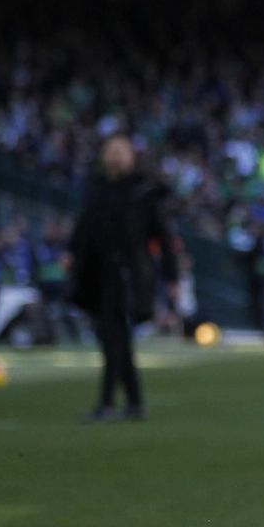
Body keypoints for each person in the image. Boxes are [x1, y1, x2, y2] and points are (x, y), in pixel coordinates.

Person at [68, 134, 179, 422]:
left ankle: (107, 404)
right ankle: (134, 403)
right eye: (111, 151)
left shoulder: (142, 192)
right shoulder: (96, 189)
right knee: (116, 339)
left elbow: (163, 236)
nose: (116, 156)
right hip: (99, 274)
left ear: (131, 157)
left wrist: (172, 277)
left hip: (128, 276)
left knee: (112, 338)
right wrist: (71, 251)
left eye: (121, 151)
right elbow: (85, 225)